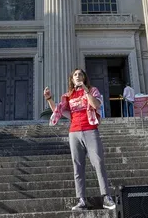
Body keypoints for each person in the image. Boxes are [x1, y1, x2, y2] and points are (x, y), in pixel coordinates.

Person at [44, 68, 116, 211]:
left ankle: (106, 197)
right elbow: (57, 111)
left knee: (98, 162)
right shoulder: (68, 96)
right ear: (71, 79)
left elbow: (96, 105)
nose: (78, 76)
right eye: (75, 75)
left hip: (90, 129)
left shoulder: (92, 90)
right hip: (74, 132)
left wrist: (86, 91)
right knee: (78, 166)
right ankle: (81, 200)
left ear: (84, 78)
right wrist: (49, 98)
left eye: (80, 74)